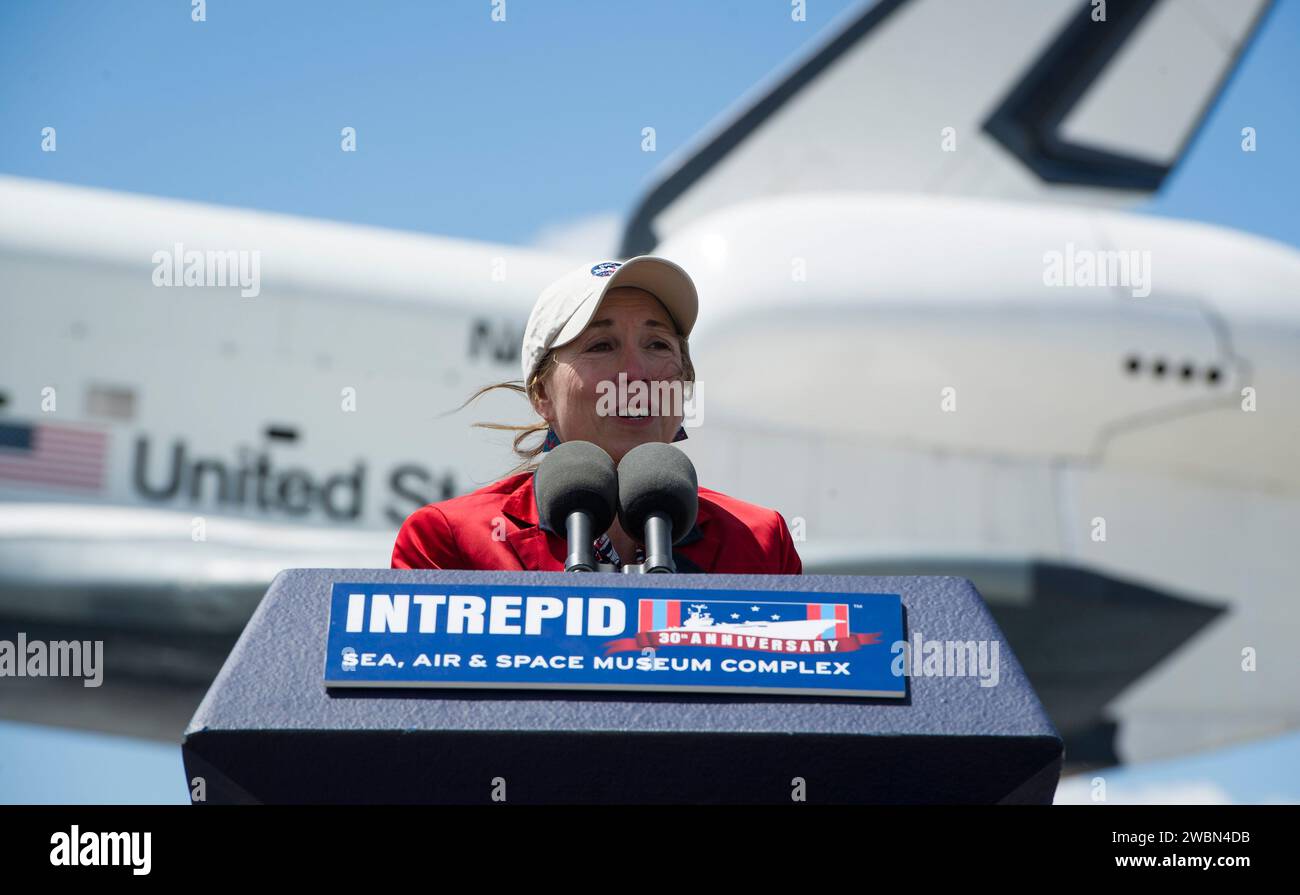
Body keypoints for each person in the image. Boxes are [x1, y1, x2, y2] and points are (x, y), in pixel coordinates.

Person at [390, 256, 802, 574]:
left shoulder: (760, 542)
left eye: (657, 345)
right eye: (601, 345)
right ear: (541, 394)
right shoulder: (449, 540)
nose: (635, 375)